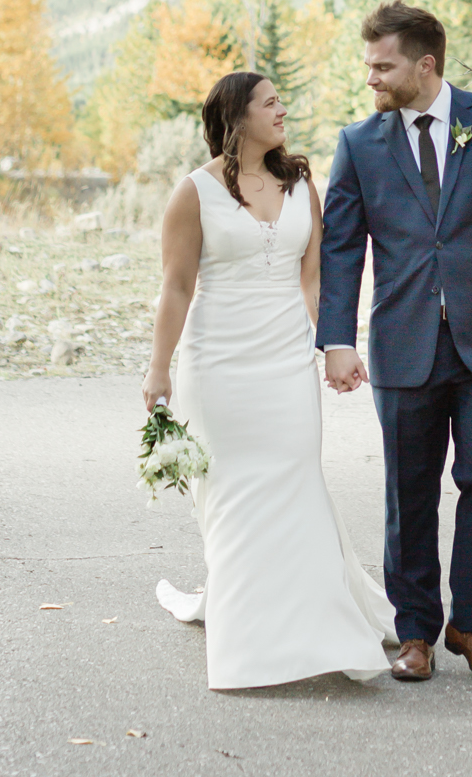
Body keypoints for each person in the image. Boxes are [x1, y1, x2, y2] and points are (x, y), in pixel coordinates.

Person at [318, 0, 472, 683]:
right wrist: (336, 337)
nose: (372, 78)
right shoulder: (359, 144)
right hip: (402, 340)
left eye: (382, 66)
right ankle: (415, 629)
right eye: (368, 66)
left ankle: (470, 624)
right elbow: (341, 250)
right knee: (410, 490)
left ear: (425, 65)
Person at [143, 70, 394, 689]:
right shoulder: (192, 194)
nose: (283, 110)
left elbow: (314, 280)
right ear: (236, 116)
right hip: (218, 363)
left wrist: (335, 345)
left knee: (295, 483)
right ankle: (248, 640)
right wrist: (158, 369)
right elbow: (176, 287)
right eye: (270, 102)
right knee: (232, 497)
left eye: (283, 100)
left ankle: (321, 629)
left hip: (285, 362)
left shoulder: (301, 183)